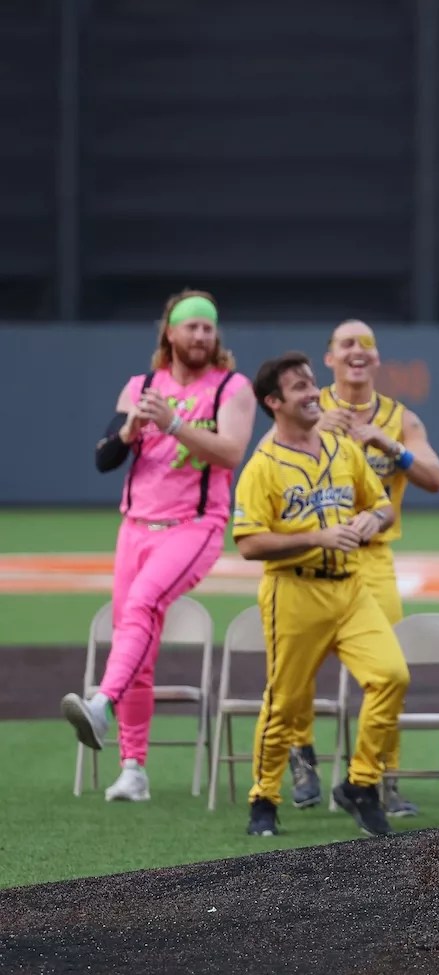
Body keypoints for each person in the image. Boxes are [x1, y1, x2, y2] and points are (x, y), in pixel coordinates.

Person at [63, 290, 255, 802]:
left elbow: (232, 452)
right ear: (169, 332)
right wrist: (131, 428)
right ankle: (133, 768)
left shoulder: (231, 387)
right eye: (191, 327)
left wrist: (174, 423)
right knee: (136, 641)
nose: (200, 336)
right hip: (135, 528)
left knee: (144, 605)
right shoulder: (142, 386)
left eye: (208, 328)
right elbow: (105, 459)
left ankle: (101, 703)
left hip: (194, 526)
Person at [230, 352, 411, 838]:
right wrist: (316, 537)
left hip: (351, 590)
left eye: (311, 383)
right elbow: (248, 543)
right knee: (285, 702)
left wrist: (372, 519)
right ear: (273, 402)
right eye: (298, 388)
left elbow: (381, 506)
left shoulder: (342, 449)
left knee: (391, 675)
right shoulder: (262, 467)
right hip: (294, 591)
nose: (313, 392)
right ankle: (263, 798)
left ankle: (361, 783)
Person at [276, 319, 439, 818]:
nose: (357, 351)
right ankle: (301, 751)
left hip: (372, 557)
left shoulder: (398, 417)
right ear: (328, 357)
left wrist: (388, 444)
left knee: (390, 668)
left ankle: (379, 779)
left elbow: (434, 476)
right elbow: (271, 468)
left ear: (376, 360)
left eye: (366, 345)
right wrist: (310, 433)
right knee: (299, 664)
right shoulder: (309, 409)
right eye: (346, 343)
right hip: (313, 554)